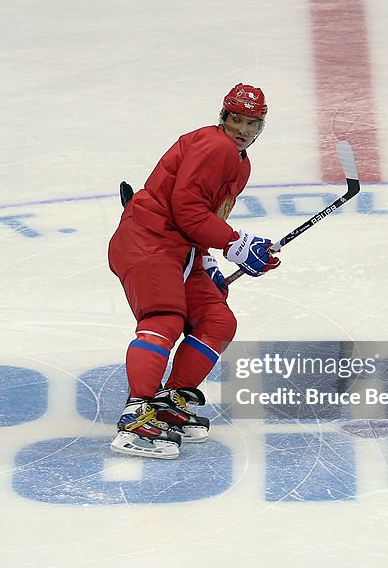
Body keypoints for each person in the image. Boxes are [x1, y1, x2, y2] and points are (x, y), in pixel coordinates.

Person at [107, 84, 280, 459]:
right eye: (237, 119)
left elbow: (207, 218)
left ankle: (169, 404)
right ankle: (136, 416)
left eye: (253, 123)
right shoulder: (214, 146)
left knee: (217, 320)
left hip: (181, 251)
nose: (244, 130)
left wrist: (210, 261)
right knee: (165, 318)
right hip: (148, 243)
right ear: (224, 116)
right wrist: (236, 243)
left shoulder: (240, 162)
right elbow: (187, 210)